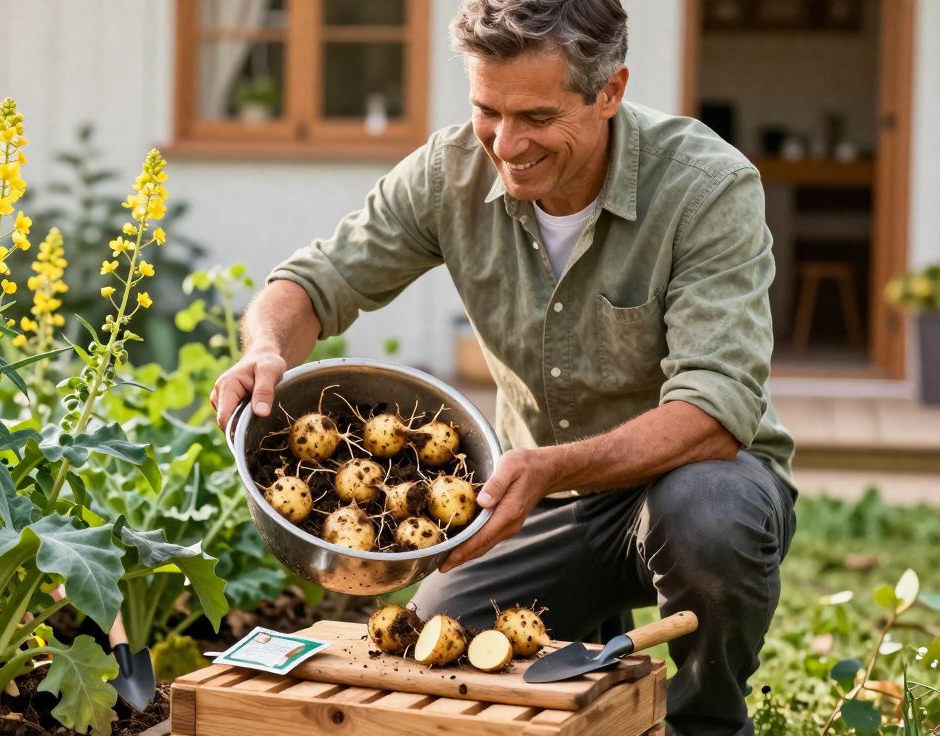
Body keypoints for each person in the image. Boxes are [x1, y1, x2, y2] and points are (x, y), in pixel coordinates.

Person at [209, 1, 796, 733]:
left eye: (538, 118)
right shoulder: (447, 173)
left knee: (714, 516)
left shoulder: (707, 187)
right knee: (440, 642)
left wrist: (550, 465)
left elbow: (714, 415)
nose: (507, 143)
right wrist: (265, 348)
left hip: (685, 480)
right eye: (488, 109)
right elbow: (313, 281)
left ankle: (704, 721)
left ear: (609, 91)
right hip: (542, 504)